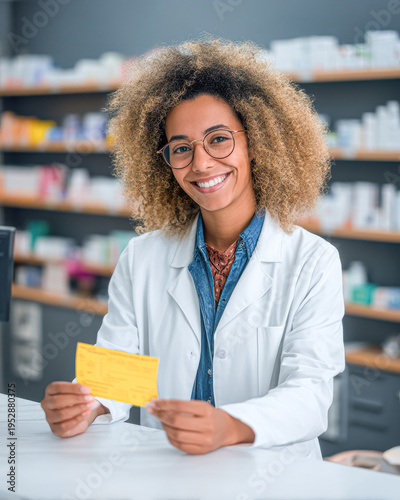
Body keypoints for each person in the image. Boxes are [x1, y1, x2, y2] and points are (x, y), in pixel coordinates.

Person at [41, 36, 345, 457]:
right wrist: (83, 403)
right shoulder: (143, 257)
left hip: (271, 477)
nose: (201, 163)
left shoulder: (312, 261)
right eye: (181, 148)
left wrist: (231, 426)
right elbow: (116, 372)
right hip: (168, 471)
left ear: (255, 141)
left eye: (219, 139)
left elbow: (311, 395)